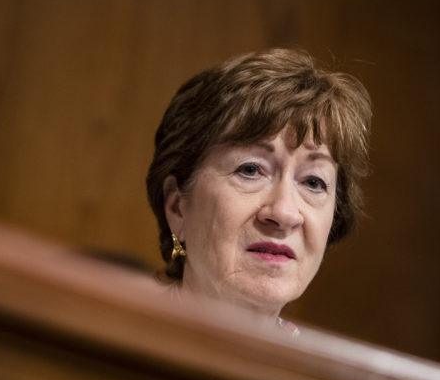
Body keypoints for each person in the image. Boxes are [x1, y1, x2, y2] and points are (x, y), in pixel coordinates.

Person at [146, 48, 371, 321]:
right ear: (177, 207)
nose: (284, 214)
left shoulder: (323, 365)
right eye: (251, 170)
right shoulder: (110, 343)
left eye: (313, 182)